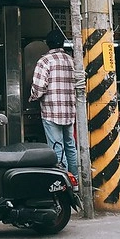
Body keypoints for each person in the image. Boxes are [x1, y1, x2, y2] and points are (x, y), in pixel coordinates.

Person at [29, 29, 78, 177]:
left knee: (57, 147)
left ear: (47, 44)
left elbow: (38, 87)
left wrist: (33, 97)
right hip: (69, 112)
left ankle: (64, 181)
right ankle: (75, 178)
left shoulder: (45, 61)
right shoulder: (72, 60)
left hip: (51, 112)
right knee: (70, 146)